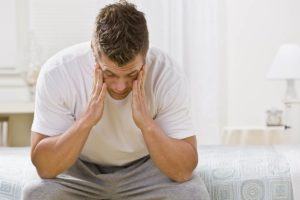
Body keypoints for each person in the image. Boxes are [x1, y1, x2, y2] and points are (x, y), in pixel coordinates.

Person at [23, 1, 210, 200]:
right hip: (79, 169)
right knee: (37, 194)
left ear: (145, 58)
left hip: (147, 167)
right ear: (94, 54)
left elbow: (183, 170)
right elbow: (44, 167)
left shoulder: (167, 73)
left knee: (192, 194)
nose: (120, 86)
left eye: (131, 74)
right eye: (109, 73)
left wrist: (146, 124)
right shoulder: (57, 72)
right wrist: (87, 121)